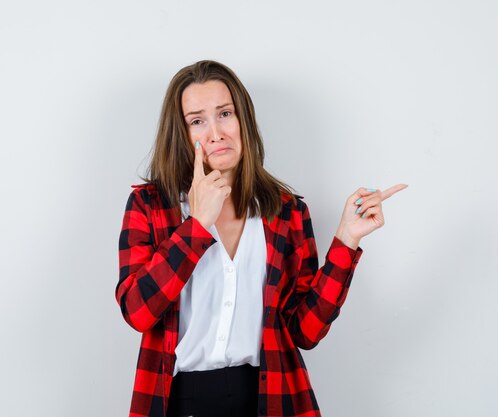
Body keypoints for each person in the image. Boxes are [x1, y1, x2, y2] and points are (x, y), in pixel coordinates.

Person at [115, 59, 407, 417]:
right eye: (197, 121)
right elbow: (137, 312)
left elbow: (305, 332)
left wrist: (346, 240)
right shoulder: (150, 206)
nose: (215, 132)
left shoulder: (287, 212)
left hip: (270, 401)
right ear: (181, 133)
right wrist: (197, 226)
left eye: (225, 113)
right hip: (179, 402)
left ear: (244, 120)